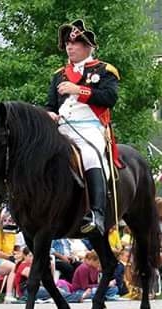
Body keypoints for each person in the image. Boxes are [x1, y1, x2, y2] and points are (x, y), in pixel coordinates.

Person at [46, 19, 120, 237]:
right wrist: (49, 113)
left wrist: (79, 90)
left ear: (87, 47)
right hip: (62, 127)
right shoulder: (59, 74)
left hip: (89, 126)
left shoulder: (104, 70)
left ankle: (96, 213)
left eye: (75, 43)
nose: (70, 47)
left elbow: (109, 98)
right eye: (68, 44)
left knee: (89, 155)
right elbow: (50, 103)